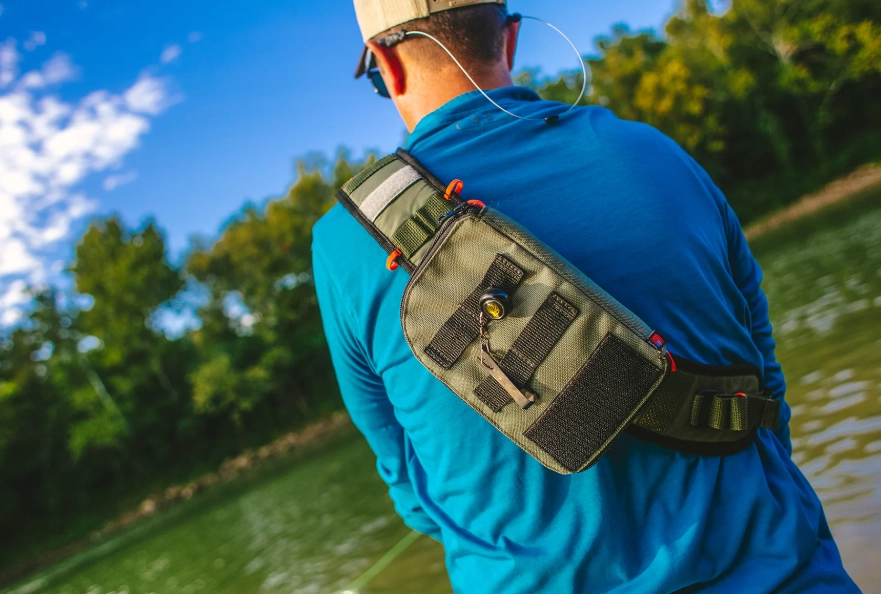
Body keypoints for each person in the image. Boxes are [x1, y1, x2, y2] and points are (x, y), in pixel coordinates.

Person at [311, 1, 860, 592]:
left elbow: (411, 491)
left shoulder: (344, 245)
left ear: (388, 66)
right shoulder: (655, 152)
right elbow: (766, 390)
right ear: (510, 39)